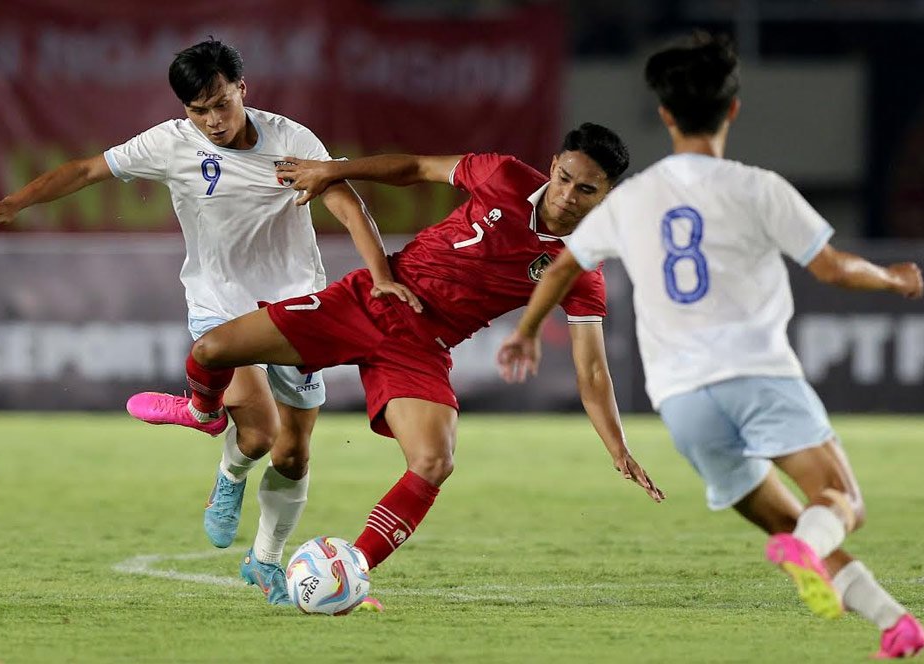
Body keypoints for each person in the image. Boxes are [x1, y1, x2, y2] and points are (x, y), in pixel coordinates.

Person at [496, 32, 924, 660]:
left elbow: (562, 267)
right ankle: (811, 552)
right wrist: (893, 278)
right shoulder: (757, 187)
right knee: (841, 503)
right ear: (732, 109)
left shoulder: (633, 197)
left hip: (681, 404)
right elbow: (832, 268)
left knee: (794, 524)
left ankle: (894, 624)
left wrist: (527, 330)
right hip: (756, 375)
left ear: (665, 114)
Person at [125, 122, 667, 601]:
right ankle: (203, 411)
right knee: (212, 350)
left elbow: (592, 368)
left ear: (608, 196)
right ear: (554, 164)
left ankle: (351, 571)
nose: (568, 195)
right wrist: (330, 169)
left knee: (434, 460)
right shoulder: (502, 174)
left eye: (587, 189)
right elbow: (413, 167)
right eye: (565, 177)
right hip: (371, 298)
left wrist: (617, 447)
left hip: (419, 346)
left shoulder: (582, 269)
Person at [0, 40, 418, 606]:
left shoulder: (291, 141)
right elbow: (89, 168)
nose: (213, 121)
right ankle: (224, 459)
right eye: (199, 110)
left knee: (292, 451)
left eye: (221, 103)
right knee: (255, 430)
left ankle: (265, 558)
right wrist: (13, 204)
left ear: (244, 88)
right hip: (219, 301)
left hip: (297, 305)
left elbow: (344, 203)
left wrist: (381, 274)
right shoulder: (171, 143)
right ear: (185, 110)